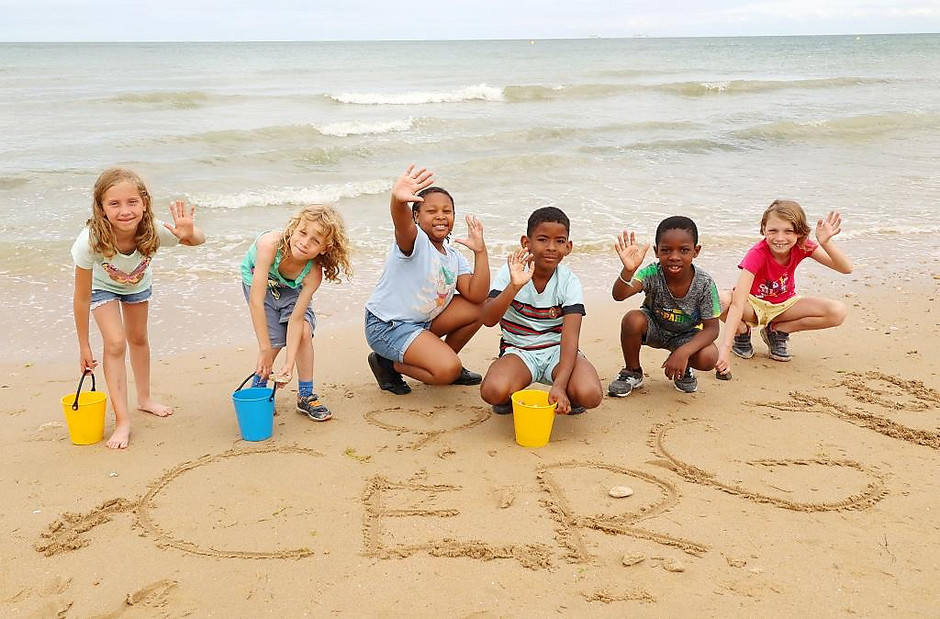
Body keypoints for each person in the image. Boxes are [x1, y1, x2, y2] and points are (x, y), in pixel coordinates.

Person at [72, 167, 205, 449]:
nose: (125, 211)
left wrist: (190, 233)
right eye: (114, 204)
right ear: (101, 208)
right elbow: (81, 297)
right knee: (116, 343)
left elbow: (196, 241)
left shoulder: (153, 230)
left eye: (132, 202)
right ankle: (123, 421)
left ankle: (144, 399)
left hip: (136, 285)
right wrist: (84, 345)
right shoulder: (89, 241)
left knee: (138, 339)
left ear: (144, 203)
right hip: (101, 287)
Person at [365, 165, 489, 395]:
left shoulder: (453, 256)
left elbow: (477, 295)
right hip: (388, 326)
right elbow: (402, 225)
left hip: (421, 323)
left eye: (447, 211)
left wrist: (480, 252)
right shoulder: (416, 242)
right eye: (431, 211)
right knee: (447, 371)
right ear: (416, 216)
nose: (441, 216)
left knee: (480, 307)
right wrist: (397, 201)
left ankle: (438, 357)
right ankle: (386, 363)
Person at [480, 206, 603, 415]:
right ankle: (509, 390)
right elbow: (488, 318)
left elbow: (570, 339)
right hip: (519, 351)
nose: (551, 247)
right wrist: (514, 287)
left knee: (590, 394)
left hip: (557, 351)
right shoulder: (511, 272)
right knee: (493, 391)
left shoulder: (568, 281)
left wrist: (560, 385)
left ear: (569, 247)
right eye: (543, 239)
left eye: (560, 241)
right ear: (526, 243)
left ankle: (570, 393)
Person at [715, 200, 852, 379]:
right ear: (764, 229)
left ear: (799, 232)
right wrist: (724, 351)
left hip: (784, 306)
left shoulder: (803, 245)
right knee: (717, 300)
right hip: (752, 306)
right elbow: (738, 303)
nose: (780, 238)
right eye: (773, 230)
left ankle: (778, 331)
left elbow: (846, 268)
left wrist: (825, 243)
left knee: (837, 312)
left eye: (788, 231)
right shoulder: (757, 254)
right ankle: (741, 333)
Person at [241, 204, 352, 421]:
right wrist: (264, 348)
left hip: (292, 287)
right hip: (258, 283)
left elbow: (296, 319)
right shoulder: (269, 245)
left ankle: (305, 394)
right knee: (273, 342)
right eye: (302, 232)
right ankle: (259, 387)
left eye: (315, 240)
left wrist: (288, 366)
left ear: (324, 248)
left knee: (303, 331)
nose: (304, 242)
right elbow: (256, 301)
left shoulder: (312, 273)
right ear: (293, 228)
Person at [607, 216, 721, 396]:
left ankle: (684, 367)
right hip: (655, 327)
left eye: (684, 250)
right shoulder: (653, 272)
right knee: (632, 319)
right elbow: (619, 295)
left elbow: (712, 329)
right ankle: (632, 371)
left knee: (709, 357)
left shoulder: (704, 283)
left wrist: (682, 353)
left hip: (685, 335)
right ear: (656, 251)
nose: (674, 257)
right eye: (666, 250)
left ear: (696, 251)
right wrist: (628, 271)